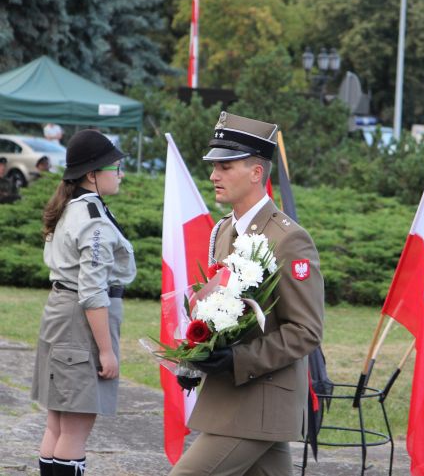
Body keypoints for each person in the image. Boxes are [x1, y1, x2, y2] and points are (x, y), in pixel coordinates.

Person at [169, 112, 325, 476]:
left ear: (256, 172)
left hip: (260, 400)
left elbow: (306, 330)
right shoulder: (223, 231)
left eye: (225, 166)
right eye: (213, 166)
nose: (213, 175)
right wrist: (195, 356)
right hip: (236, 398)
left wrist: (237, 360)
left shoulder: (288, 239)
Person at [31, 130, 136, 476]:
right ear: (93, 174)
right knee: (74, 430)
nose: (120, 174)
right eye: (115, 167)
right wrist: (106, 351)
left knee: (57, 425)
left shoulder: (72, 207)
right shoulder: (93, 220)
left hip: (61, 313)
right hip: (79, 321)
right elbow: (93, 291)